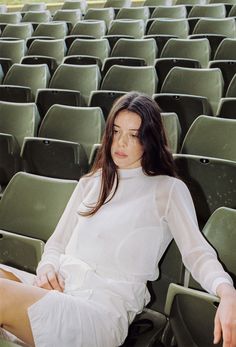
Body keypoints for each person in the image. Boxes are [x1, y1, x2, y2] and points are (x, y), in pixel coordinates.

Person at [0, 92, 236, 347]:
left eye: (133, 135)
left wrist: (227, 292)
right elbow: (56, 244)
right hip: (60, 290)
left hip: (100, 313)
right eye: (116, 131)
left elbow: (197, 254)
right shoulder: (92, 182)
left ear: (149, 140)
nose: (121, 143)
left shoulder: (167, 189)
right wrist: (47, 269)